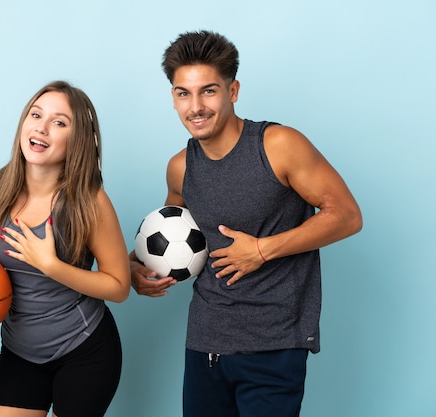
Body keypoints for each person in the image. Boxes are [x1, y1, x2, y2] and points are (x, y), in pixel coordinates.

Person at [129, 31, 363, 417]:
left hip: (275, 342)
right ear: (173, 97)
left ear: (232, 91)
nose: (196, 106)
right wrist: (137, 267)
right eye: (183, 93)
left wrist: (261, 249)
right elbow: (167, 235)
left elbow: (346, 215)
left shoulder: (278, 145)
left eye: (208, 91)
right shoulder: (180, 167)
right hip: (205, 342)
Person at [0, 80, 131, 417]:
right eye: (36, 115)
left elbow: (119, 286)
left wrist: (52, 265)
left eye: (59, 122)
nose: (42, 127)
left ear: (76, 140)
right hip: (20, 350)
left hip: (84, 348)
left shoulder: (89, 202)